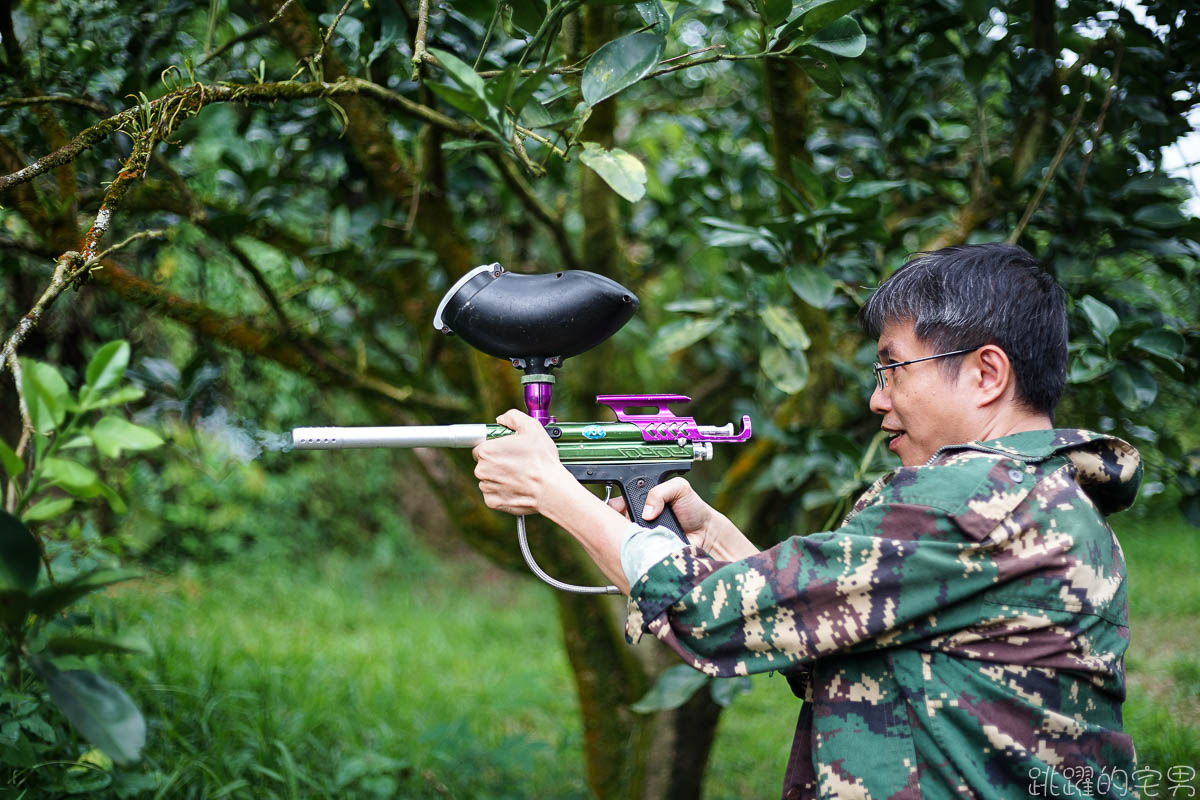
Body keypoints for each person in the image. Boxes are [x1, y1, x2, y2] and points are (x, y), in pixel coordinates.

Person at [472, 243, 1141, 799]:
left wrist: (553, 491)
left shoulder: (970, 497)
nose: (879, 399)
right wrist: (713, 536)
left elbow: (709, 617)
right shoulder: (1040, 491)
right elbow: (838, 633)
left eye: (893, 368)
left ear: (986, 373)